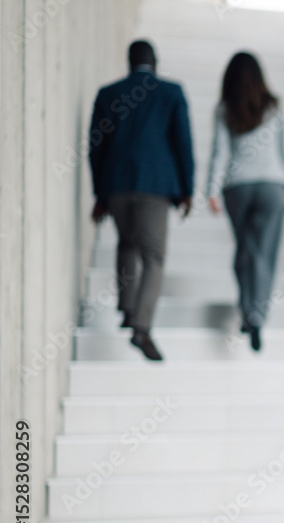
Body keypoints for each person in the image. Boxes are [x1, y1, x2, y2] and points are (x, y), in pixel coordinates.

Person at [88, 39, 195, 361]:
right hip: (155, 186)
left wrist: (100, 194)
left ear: (129, 61)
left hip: (117, 184)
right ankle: (142, 328)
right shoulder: (171, 92)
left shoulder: (108, 93)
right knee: (153, 257)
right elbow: (183, 143)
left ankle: (127, 308)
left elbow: (95, 147)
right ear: (155, 62)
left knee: (127, 244)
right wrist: (187, 189)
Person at [206, 52, 284, 352]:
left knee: (246, 249)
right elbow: (282, 152)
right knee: (264, 254)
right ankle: (257, 316)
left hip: (237, 187)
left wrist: (211, 190)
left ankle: (247, 311)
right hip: (272, 186)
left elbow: (219, 151)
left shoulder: (225, 108)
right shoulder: (273, 106)